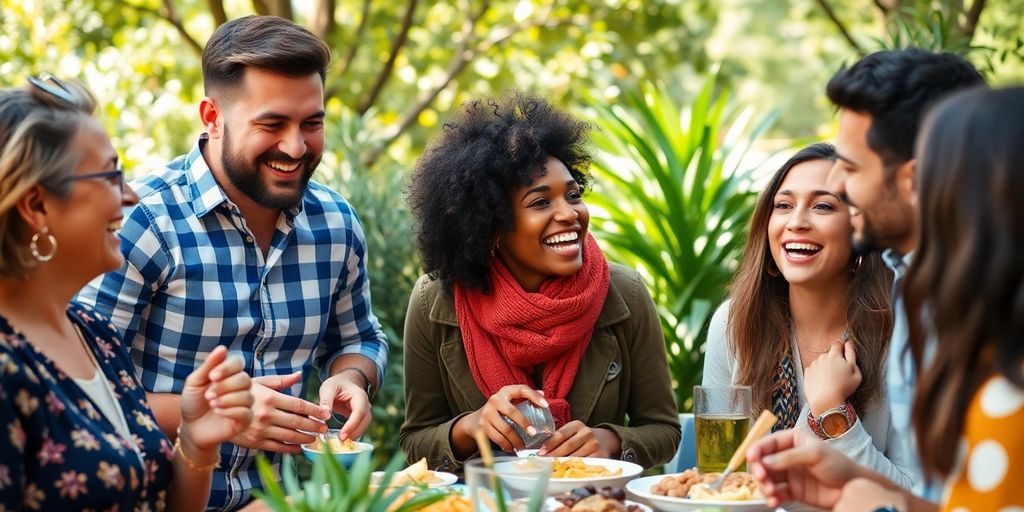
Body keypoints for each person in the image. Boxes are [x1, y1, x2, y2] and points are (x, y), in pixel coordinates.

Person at [76, 15, 389, 510]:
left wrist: (351, 378)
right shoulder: (144, 223)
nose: (296, 146)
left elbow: (359, 338)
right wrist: (219, 412)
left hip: (287, 502)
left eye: (312, 123)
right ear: (212, 116)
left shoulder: (337, 224)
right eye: (272, 124)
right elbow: (83, 392)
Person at [744, 49, 985, 510]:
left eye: (851, 168)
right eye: (784, 204)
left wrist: (838, 428)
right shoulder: (916, 291)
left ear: (914, 180)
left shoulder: (976, 310)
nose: (838, 181)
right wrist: (852, 483)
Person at [0, 75, 254, 510]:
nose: (132, 195)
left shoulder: (95, 334)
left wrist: (196, 439)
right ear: (37, 206)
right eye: (110, 175)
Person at [400, 94, 680, 471]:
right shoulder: (435, 301)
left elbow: (663, 430)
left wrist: (608, 441)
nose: (569, 214)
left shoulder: (623, 292)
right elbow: (415, 439)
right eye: (540, 203)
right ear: (492, 227)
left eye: (573, 195)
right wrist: (471, 427)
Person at [703, 143, 909, 485]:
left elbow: (916, 499)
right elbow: (718, 479)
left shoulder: (902, 335)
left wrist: (832, 413)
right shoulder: (733, 323)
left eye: (823, 206)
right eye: (783, 205)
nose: (796, 222)